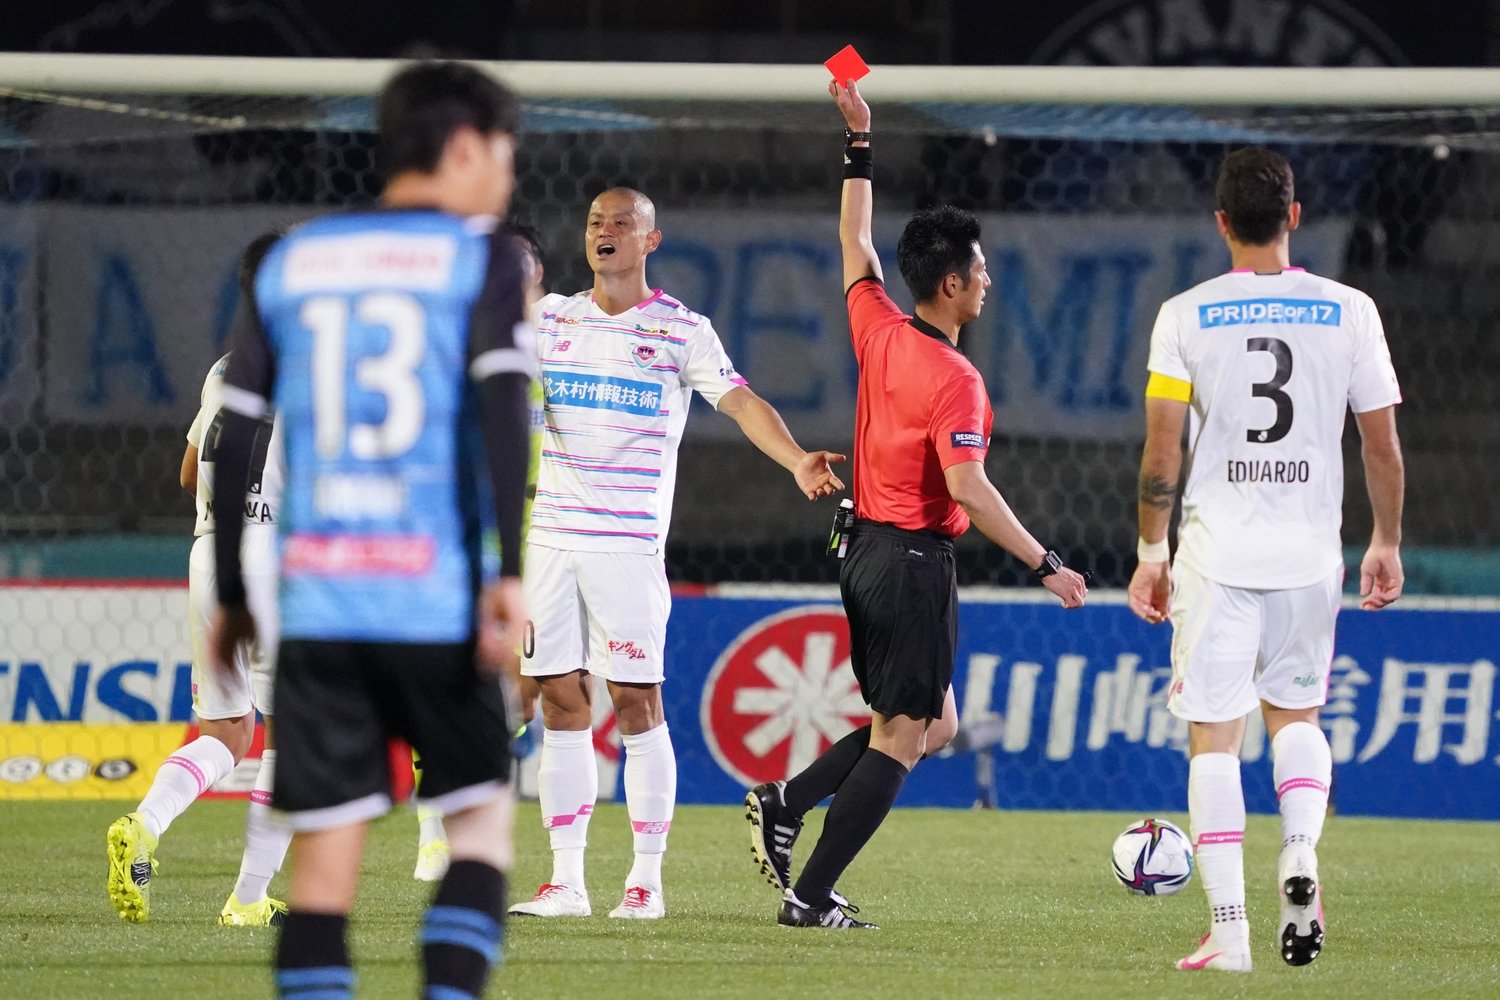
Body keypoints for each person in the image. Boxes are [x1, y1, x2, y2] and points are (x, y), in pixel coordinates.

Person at [209, 60, 534, 1000]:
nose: (507, 173)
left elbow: (237, 432)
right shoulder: (482, 258)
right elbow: (504, 409)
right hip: (433, 600)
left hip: (320, 608)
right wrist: (509, 572)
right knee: (479, 829)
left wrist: (231, 591)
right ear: (463, 147)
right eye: (504, 151)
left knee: (322, 876)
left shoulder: (295, 259)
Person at [743, 78, 1089, 931]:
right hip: (910, 563)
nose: (989, 280)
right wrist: (1044, 561)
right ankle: (809, 895)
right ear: (951, 283)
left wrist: (860, 141)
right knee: (903, 738)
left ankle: (788, 801)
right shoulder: (957, 379)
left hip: (864, 551)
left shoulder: (879, 327)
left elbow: (854, 239)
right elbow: (968, 486)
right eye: (980, 270)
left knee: (933, 727)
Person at [508, 186, 846, 922]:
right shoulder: (550, 319)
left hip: (627, 547)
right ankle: (565, 881)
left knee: (635, 702)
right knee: (561, 701)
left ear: (650, 241)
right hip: (550, 542)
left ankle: (645, 882)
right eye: (594, 221)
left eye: (620, 223)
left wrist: (795, 459)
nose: (604, 232)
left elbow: (742, 402)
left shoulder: (682, 331)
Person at [1127, 146, 1404, 972]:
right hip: (1308, 555)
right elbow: (1381, 444)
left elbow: (1163, 449)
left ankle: (1231, 931)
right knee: (1297, 718)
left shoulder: (1184, 315)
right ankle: (1300, 850)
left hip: (1215, 555)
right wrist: (1385, 540)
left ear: (1221, 223)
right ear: (1294, 216)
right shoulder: (1351, 310)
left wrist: (1151, 551)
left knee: (1215, 739)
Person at [105, 231, 293, 928]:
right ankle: (247, 899)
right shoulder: (317, 364)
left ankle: (146, 824)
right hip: (275, 552)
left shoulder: (224, 368)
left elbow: (189, 473)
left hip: (210, 549)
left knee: (227, 727)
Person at [412, 222, 548, 884]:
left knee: (526, 690)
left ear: (539, 277)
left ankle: (474, 774)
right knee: (459, 676)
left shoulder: (561, 343)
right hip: (472, 527)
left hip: (543, 529)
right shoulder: (462, 340)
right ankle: (435, 836)